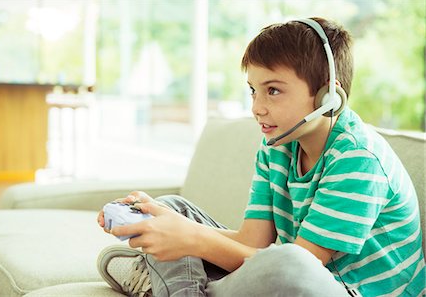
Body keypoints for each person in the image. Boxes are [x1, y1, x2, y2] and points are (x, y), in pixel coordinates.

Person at [97, 17, 425, 297]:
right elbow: (250, 244)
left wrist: (192, 241)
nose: (257, 107)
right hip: (285, 273)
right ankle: (185, 282)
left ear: (328, 95)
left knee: (290, 263)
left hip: (347, 289)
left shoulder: (358, 159)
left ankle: (174, 282)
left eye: (273, 90)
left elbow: (299, 268)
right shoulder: (278, 145)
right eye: (253, 90)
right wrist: (176, 225)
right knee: (172, 209)